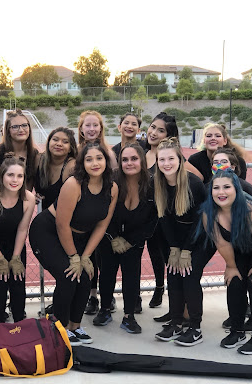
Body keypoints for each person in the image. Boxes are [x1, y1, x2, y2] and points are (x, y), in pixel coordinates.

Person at [29, 141, 118, 346]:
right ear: (82, 163)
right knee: (69, 276)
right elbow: (62, 225)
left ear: (106, 160)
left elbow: (101, 226)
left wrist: (85, 256)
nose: (95, 163)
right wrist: (74, 257)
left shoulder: (112, 188)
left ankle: (75, 327)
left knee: (85, 277)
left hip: (79, 237)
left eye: (99, 158)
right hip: (48, 232)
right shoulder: (74, 184)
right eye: (89, 159)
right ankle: (59, 328)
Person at [198, 169, 252, 354]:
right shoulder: (209, 213)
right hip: (242, 247)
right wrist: (231, 266)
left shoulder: (250, 209)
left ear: (236, 189)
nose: (221, 192)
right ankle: (237, 331)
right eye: (216, 188)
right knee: (235, 282)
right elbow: (221, 243)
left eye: (227, 187)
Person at [153, 137, 213, 347]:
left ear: (179, 159)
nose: (166, 163)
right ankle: (176, 322)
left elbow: (201, 221)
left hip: (201, 237)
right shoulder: (158, 184)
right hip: (178, 238)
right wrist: (174, 249)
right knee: (174, 274)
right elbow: (165, 219)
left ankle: (195, 328)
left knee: (189, 275)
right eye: (162, 160)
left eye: (171, 158)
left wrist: (186, 250)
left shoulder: (193, 183)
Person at [93, 143, 157, 333]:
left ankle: (129, 316)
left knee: (132, 274)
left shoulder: (152, 185)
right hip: (109, 236)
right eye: (125, 160)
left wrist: (130, 240)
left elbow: (153, 219)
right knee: (106, 272)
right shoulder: (111, 181)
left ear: (142, 161)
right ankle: (104, 309)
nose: (129, 163)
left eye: (134, 159)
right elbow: (102, 213)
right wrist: (113, 237)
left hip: (134, 239)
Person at [145, 112, 202, 313]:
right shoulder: (143, 154)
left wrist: (185, 248)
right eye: (153, 127)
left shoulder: (179, 167)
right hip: (156, 220)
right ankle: (173, 311)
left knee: (182, 270)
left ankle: (188, 317)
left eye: (161, 130)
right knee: (164, 263)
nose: (154, 132)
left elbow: (197, 181)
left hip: (182, 225)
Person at [0, 154, 34, 324]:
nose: (15, 180)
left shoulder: (28, 199)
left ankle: (19, 322)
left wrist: (16, 257)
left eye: (20, 176)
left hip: (15, 244)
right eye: (10, 175)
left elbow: (22, 229)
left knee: (18, 282)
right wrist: (0, 259)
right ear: (1, 175)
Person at [77, 111, 118, 315]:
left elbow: (113, 183)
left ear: (101, 128)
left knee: (103, 257)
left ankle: (106, 298)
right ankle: (91, 296)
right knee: (87, 257)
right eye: (88, 125)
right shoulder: (76, 152)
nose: (92, 129)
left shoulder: (108, 153)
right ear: (81, 129)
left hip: (101, 212)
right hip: (82, 214)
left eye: (95, 125)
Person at [211, 148, 252, 217]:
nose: (219, 165)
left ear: (232, 167)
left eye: (224, 162)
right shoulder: (208, 186)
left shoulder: (244, 187)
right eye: (215, 162)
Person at [0, 109, 39, 191]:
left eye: (24, 125)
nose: (21, 130)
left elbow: (31, 182)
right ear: (8, 131)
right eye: (15, 127)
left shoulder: (33, 154)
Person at [35, 127, 77, 210]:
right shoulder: (39, 159)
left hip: (64, 214)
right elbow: (29, 184)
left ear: (70, 149)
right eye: (55, 140)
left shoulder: (72, 166)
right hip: (43, 213)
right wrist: (32, 197)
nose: (59, 144)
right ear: (49, 142)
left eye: (65, 142)